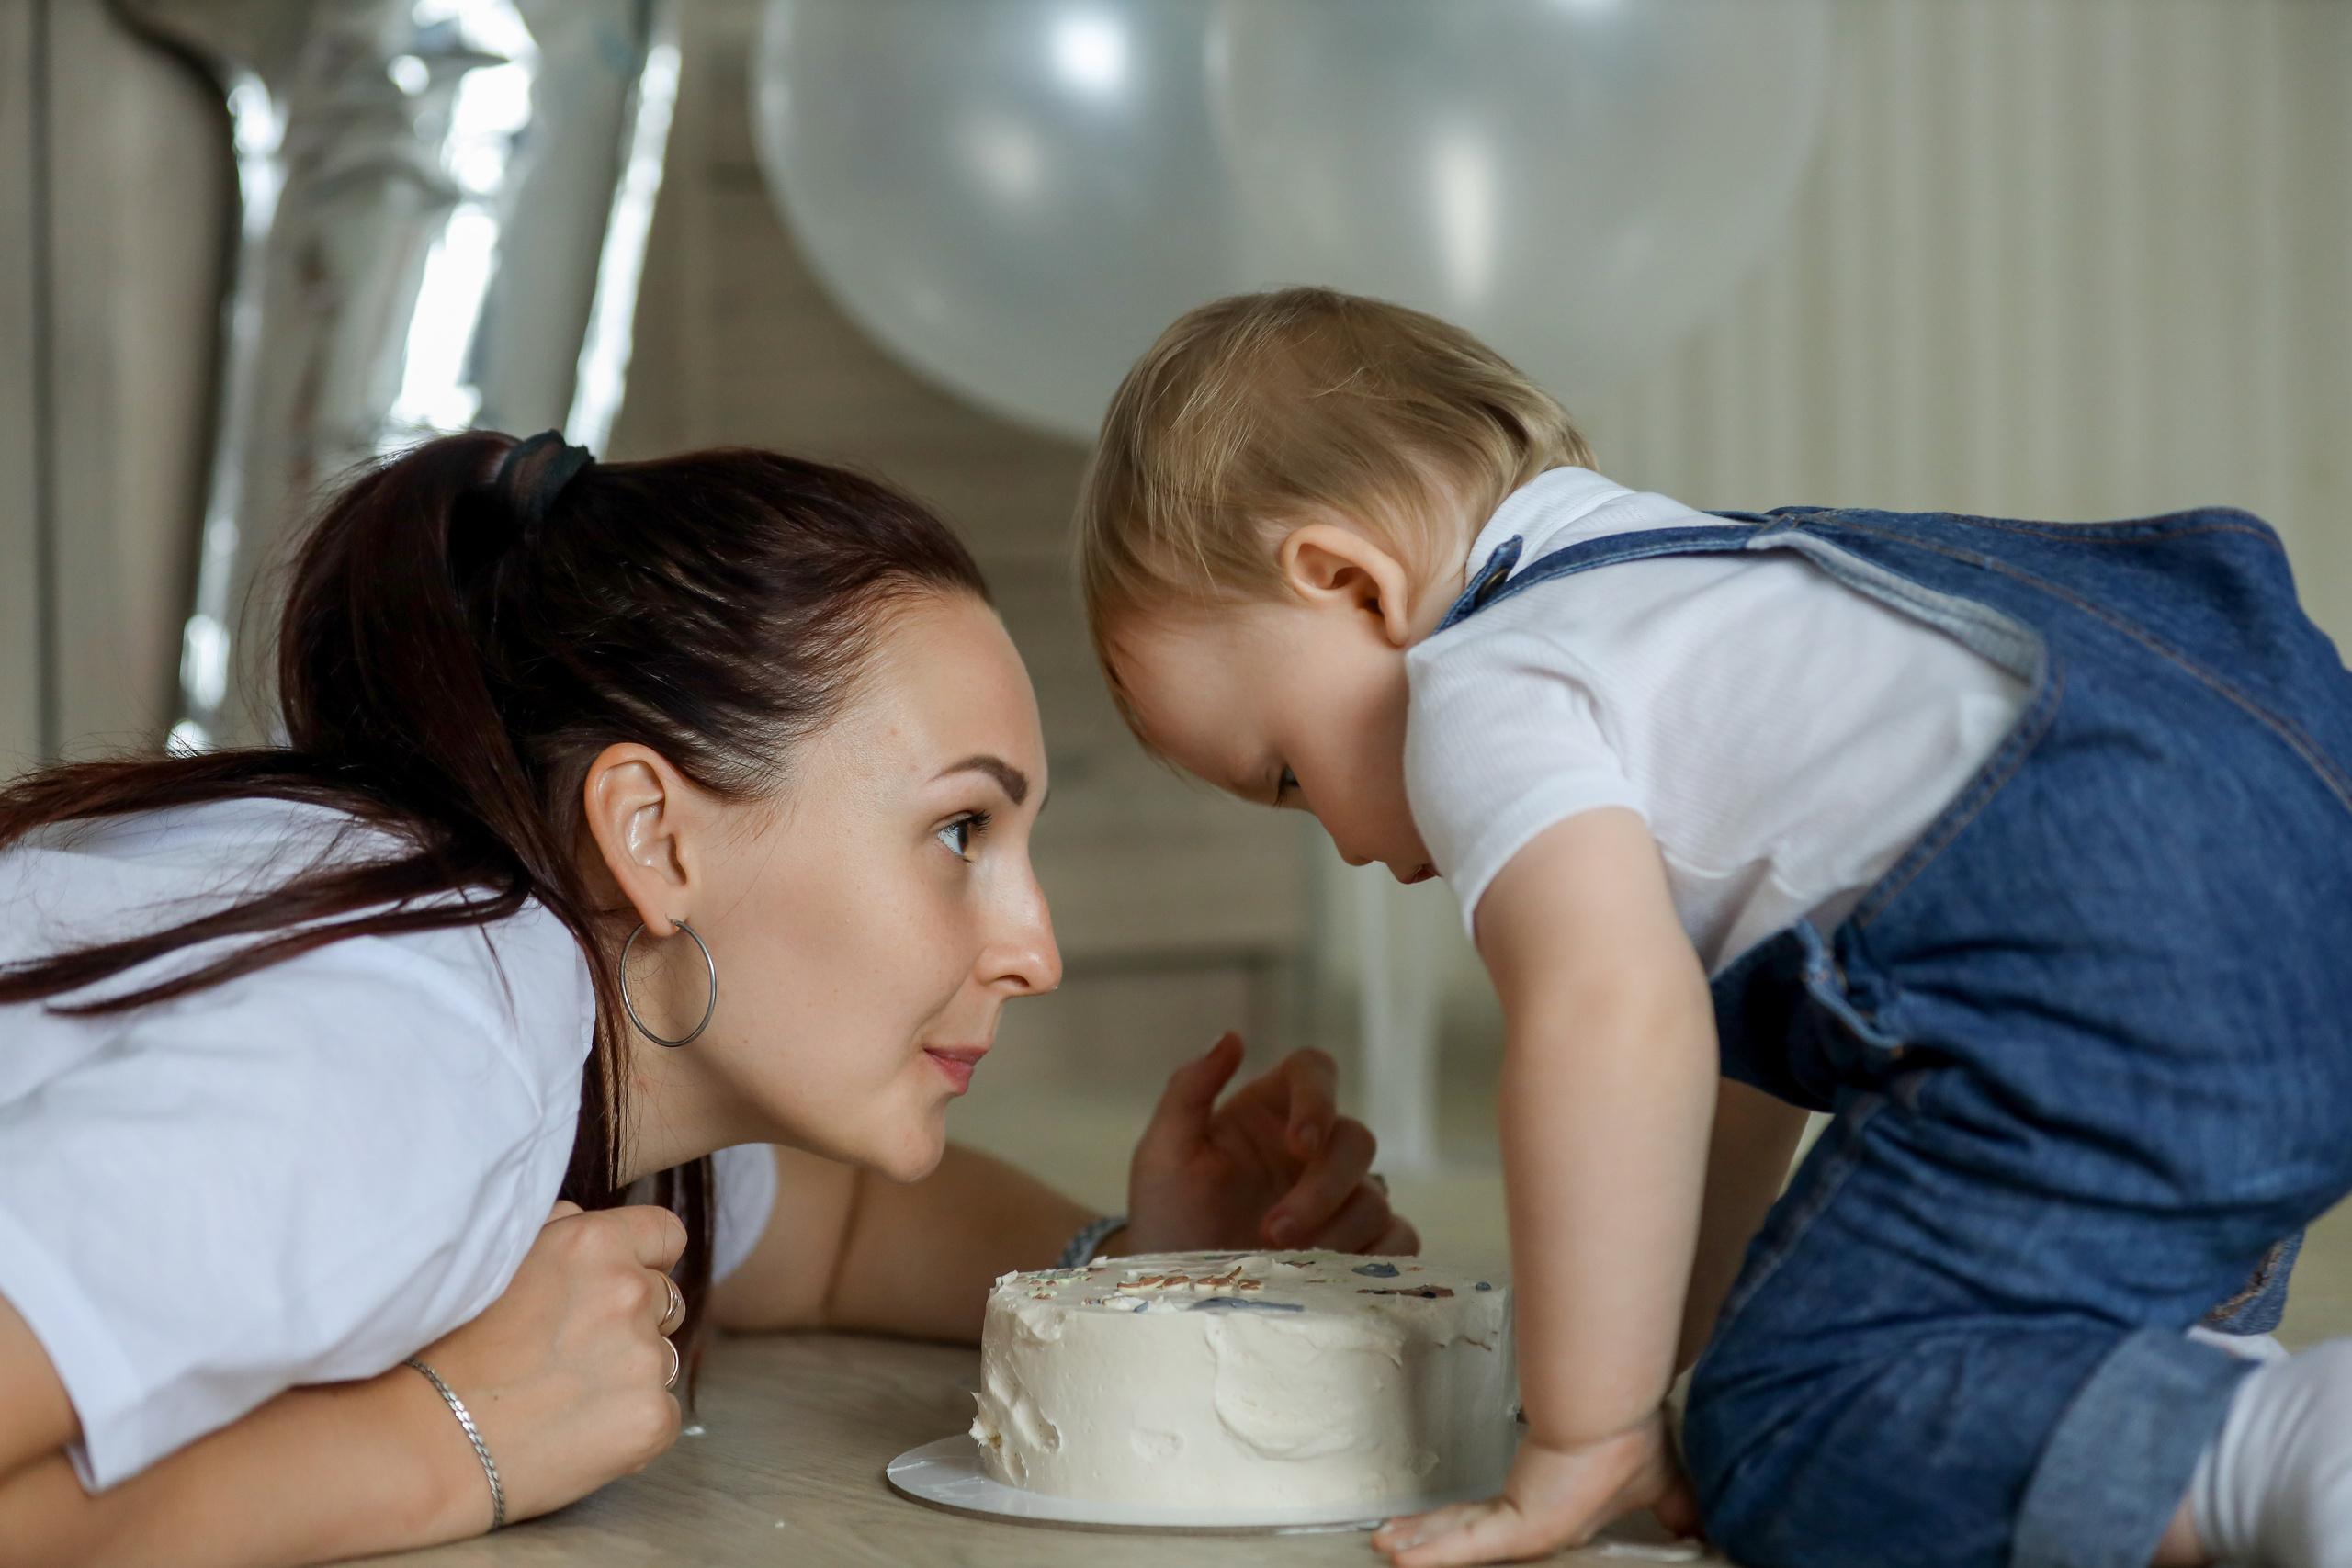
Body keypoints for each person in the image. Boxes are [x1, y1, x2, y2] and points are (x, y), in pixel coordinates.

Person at [1076, 287, 2352, 1568]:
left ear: (1351, 584)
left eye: (1290, 775)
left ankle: (2278, 1449)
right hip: (2292, 845)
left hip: (2102, 923)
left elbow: (1611, 1022)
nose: (1347, 843)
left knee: (1782, 1428)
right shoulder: (1712, 586)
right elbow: (1715, 1081)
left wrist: (1585, 1436)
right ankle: (2196, 1422)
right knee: (1990, 1333)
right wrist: (1667, 1371)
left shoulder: (1488, 676)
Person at [0, 431, 1411, 1566]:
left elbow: (840, 1235)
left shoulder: (535, 987)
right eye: (960, 834)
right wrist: (446, 1444)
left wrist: (1132, 1271)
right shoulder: (409, 1061)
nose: (1035, 950)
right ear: (656, 837)